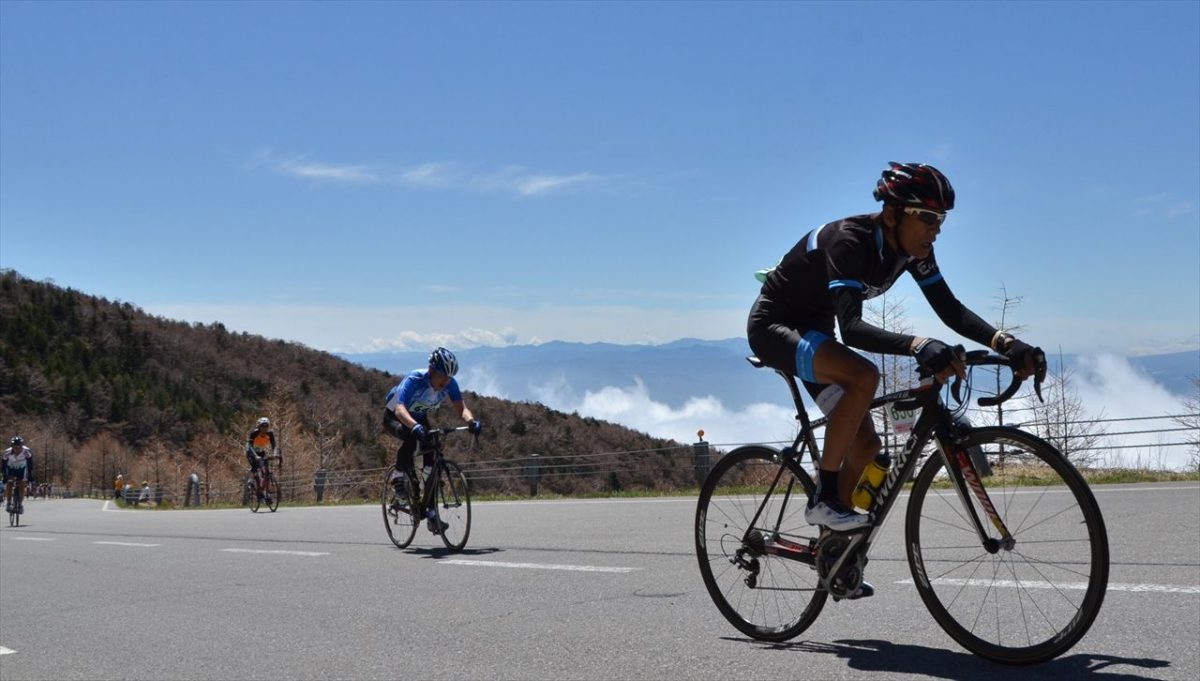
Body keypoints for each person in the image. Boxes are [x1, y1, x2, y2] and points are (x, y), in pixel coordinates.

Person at [747, 162, 1046, 594]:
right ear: (893, 214)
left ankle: (835, 553)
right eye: (926, 217)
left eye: (940, 220)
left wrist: (1007, 343)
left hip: (815, 334)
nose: (935, 230)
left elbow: (951, 309)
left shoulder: (913, 251)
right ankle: (824, 500)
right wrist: (918, 344)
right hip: (774, 328)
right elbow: (852, 328)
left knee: (868, 448)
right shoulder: (849, 241)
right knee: (863, 375)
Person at [383, 347, 481, 534]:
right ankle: (397, 478)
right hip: (395, 416)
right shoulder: (415, 380)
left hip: (418, 417)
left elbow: (461, 408)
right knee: (411, 440)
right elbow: (400, 409)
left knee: (433, 452)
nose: (446, 382)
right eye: (443, 377)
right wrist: (414, 427)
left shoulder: (450, 384)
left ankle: (431, 513)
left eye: (450, 378)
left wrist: (471, 421)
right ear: (432, 371)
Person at [244, 417, 280, 503]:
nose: (264, 428)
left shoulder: (270, 433)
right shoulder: (254, 433)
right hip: (251, 451)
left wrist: (275, 454)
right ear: (258, 426)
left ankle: (264, 493)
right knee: (256, 465)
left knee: (266, 471)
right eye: (262, 426)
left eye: (266, 426)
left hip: (260, 451)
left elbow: (274, 445)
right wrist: (255, 456)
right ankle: (251, 479)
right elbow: (250, 446)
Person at [3, 436, 34, 514]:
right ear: (12, 446)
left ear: (22, 446)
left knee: (22, 484)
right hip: (10, 468)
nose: (17, 449)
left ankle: (20, 504)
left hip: (21, 468)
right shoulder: (7, 452)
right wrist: (4, 476)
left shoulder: (27, 452)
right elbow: (3, 465)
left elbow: (30, 464)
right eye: (15, 447)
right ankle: (9, 503)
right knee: (9, 483)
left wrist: (30, 475)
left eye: (19, 447)